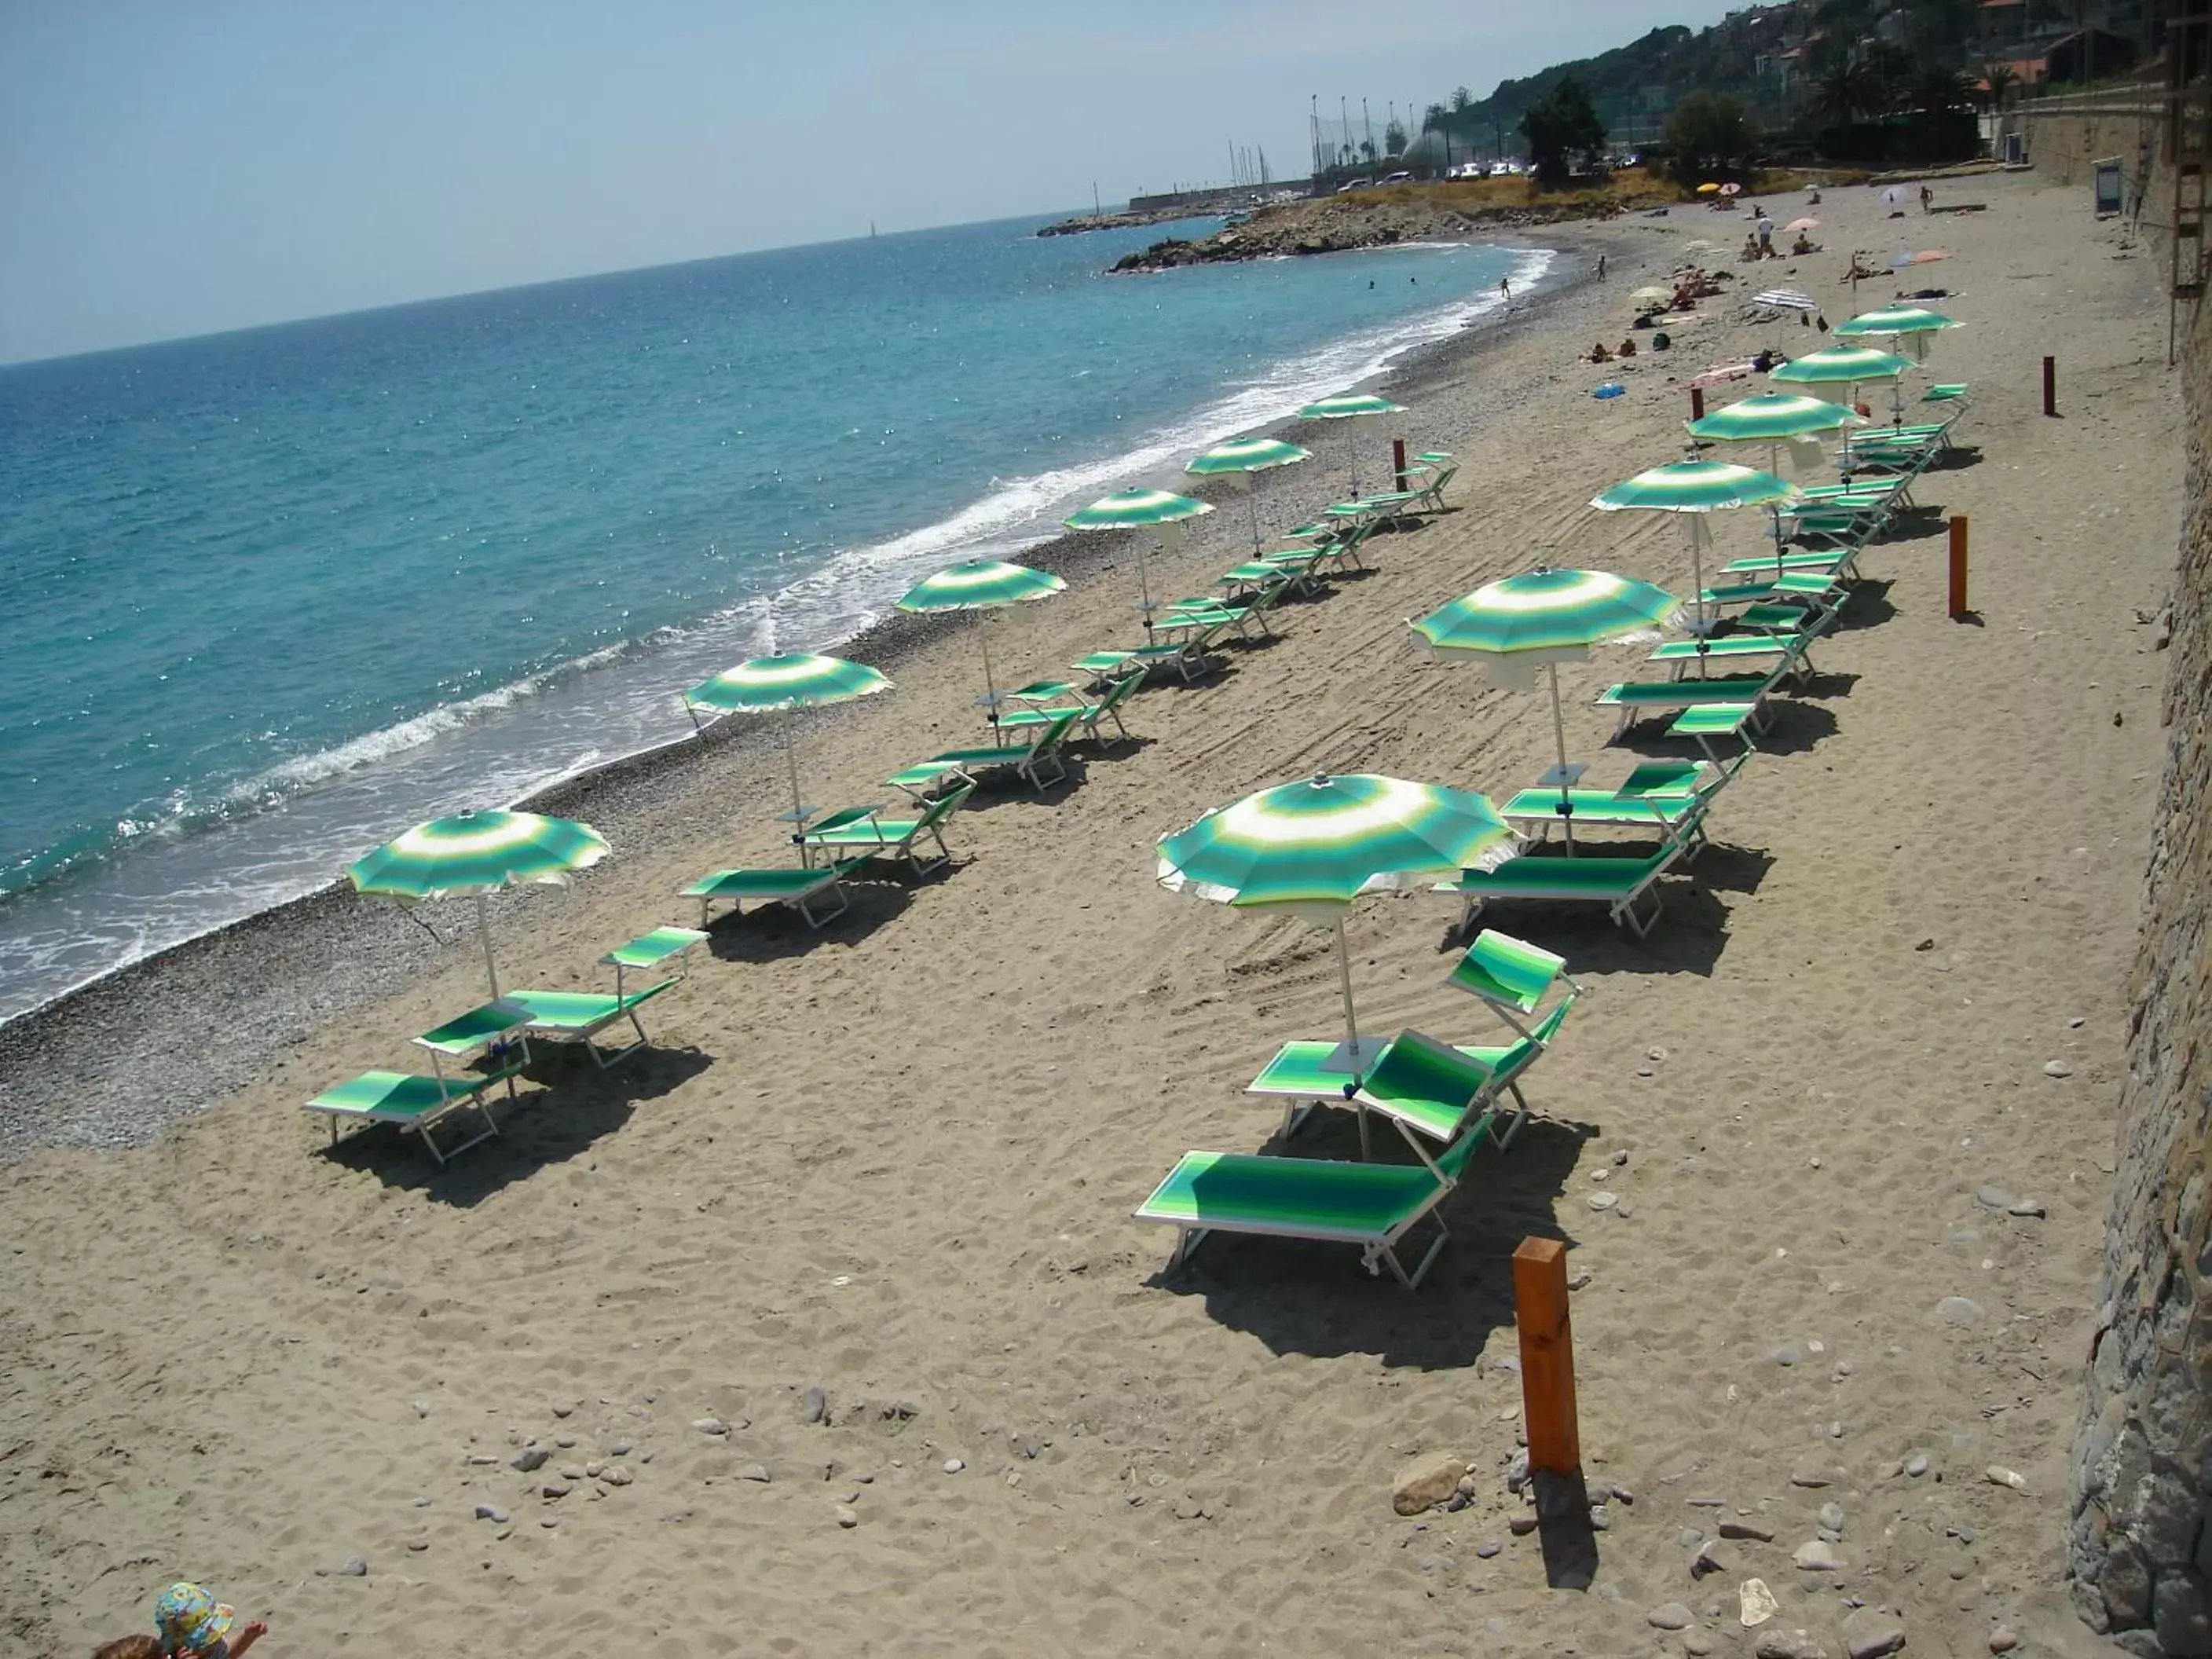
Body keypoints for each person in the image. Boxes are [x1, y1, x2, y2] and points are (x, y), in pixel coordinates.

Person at [152, 1584, 267, 1659]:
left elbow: (227, 1654)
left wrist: (247, 1637)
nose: (216, 1639)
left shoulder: (210, 1648)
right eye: (208, 1638)